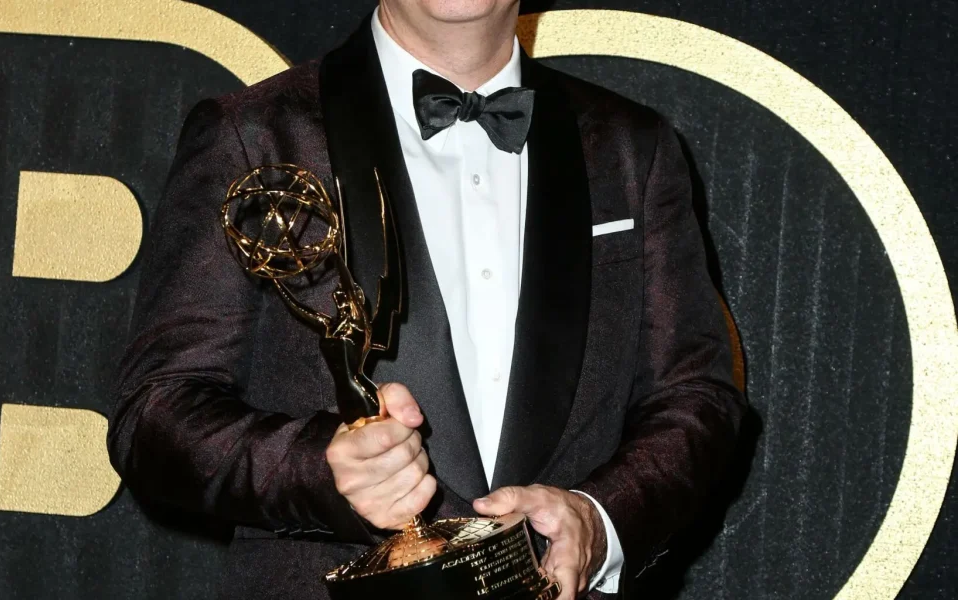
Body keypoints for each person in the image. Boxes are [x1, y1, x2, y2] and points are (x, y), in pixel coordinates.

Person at [107, 1, 746, 598]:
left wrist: (599, 518)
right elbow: (156, 416)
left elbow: (697, 399)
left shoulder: (632, 148)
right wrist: (318, 469)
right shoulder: (253, 134)